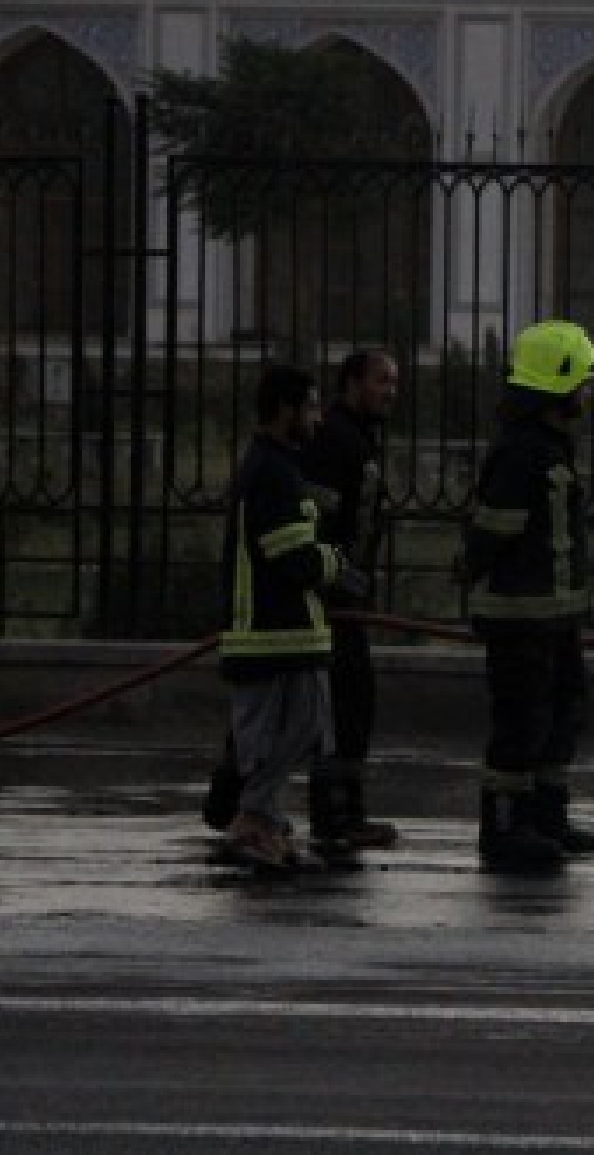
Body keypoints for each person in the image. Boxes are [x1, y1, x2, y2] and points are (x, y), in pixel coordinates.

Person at [458, 320, 594, 874]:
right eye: (582, 383)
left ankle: (545, 816)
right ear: (558, 385)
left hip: (554, 616)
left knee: (562, 714)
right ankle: (503, 827)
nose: (587, 394)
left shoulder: (547, 447)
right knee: (521, 722)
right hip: (519, 617)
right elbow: (493, 532)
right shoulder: (521, 453)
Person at [215, 365, 365, 871]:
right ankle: (253, 824)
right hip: (268, 632)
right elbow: (293, 557)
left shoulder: (279, 467)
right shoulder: (273, 473)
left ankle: (264, 821)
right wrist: (337, 565)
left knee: (302, 729)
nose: (318, 419)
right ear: (286, 409)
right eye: (312, 407)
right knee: (270, 737)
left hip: (290, 633)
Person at [298, 348, 402, 852]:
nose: (390, 392)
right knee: (340, 707)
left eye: (394, 383)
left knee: (353, 702)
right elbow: (319, 520)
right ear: (353, 383)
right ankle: (336, 815)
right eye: (382, 381)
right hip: (331, 597)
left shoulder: (359, 438)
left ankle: (347, 811)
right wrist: (336, 578)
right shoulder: (336, 440)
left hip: (347, 593)